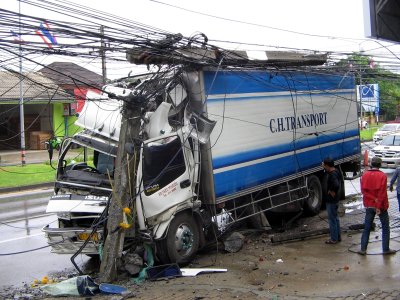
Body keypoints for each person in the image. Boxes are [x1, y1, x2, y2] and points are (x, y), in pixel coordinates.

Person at [359, 157, 396, 255]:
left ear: (371, 164)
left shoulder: (365, 175)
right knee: (385, 227)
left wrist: (372, 199)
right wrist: (378, 206)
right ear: (380, 165)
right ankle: (385, 249)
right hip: (381, 206)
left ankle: (363, 249)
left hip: (369, 205)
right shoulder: (382, 176)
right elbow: (382, 193)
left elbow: (363, 191)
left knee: (367, 227)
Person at [322, 157, 342, 244]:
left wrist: (332, 191)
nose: (323, 166)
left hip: (331, 200)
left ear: (327, 165)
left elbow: (336, 185)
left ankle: (333, 239)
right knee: (336, 218)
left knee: (332, 219)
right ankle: (338, 237)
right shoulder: (336, 171)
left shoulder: (332, 174)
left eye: (324, 165)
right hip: (336, 199)